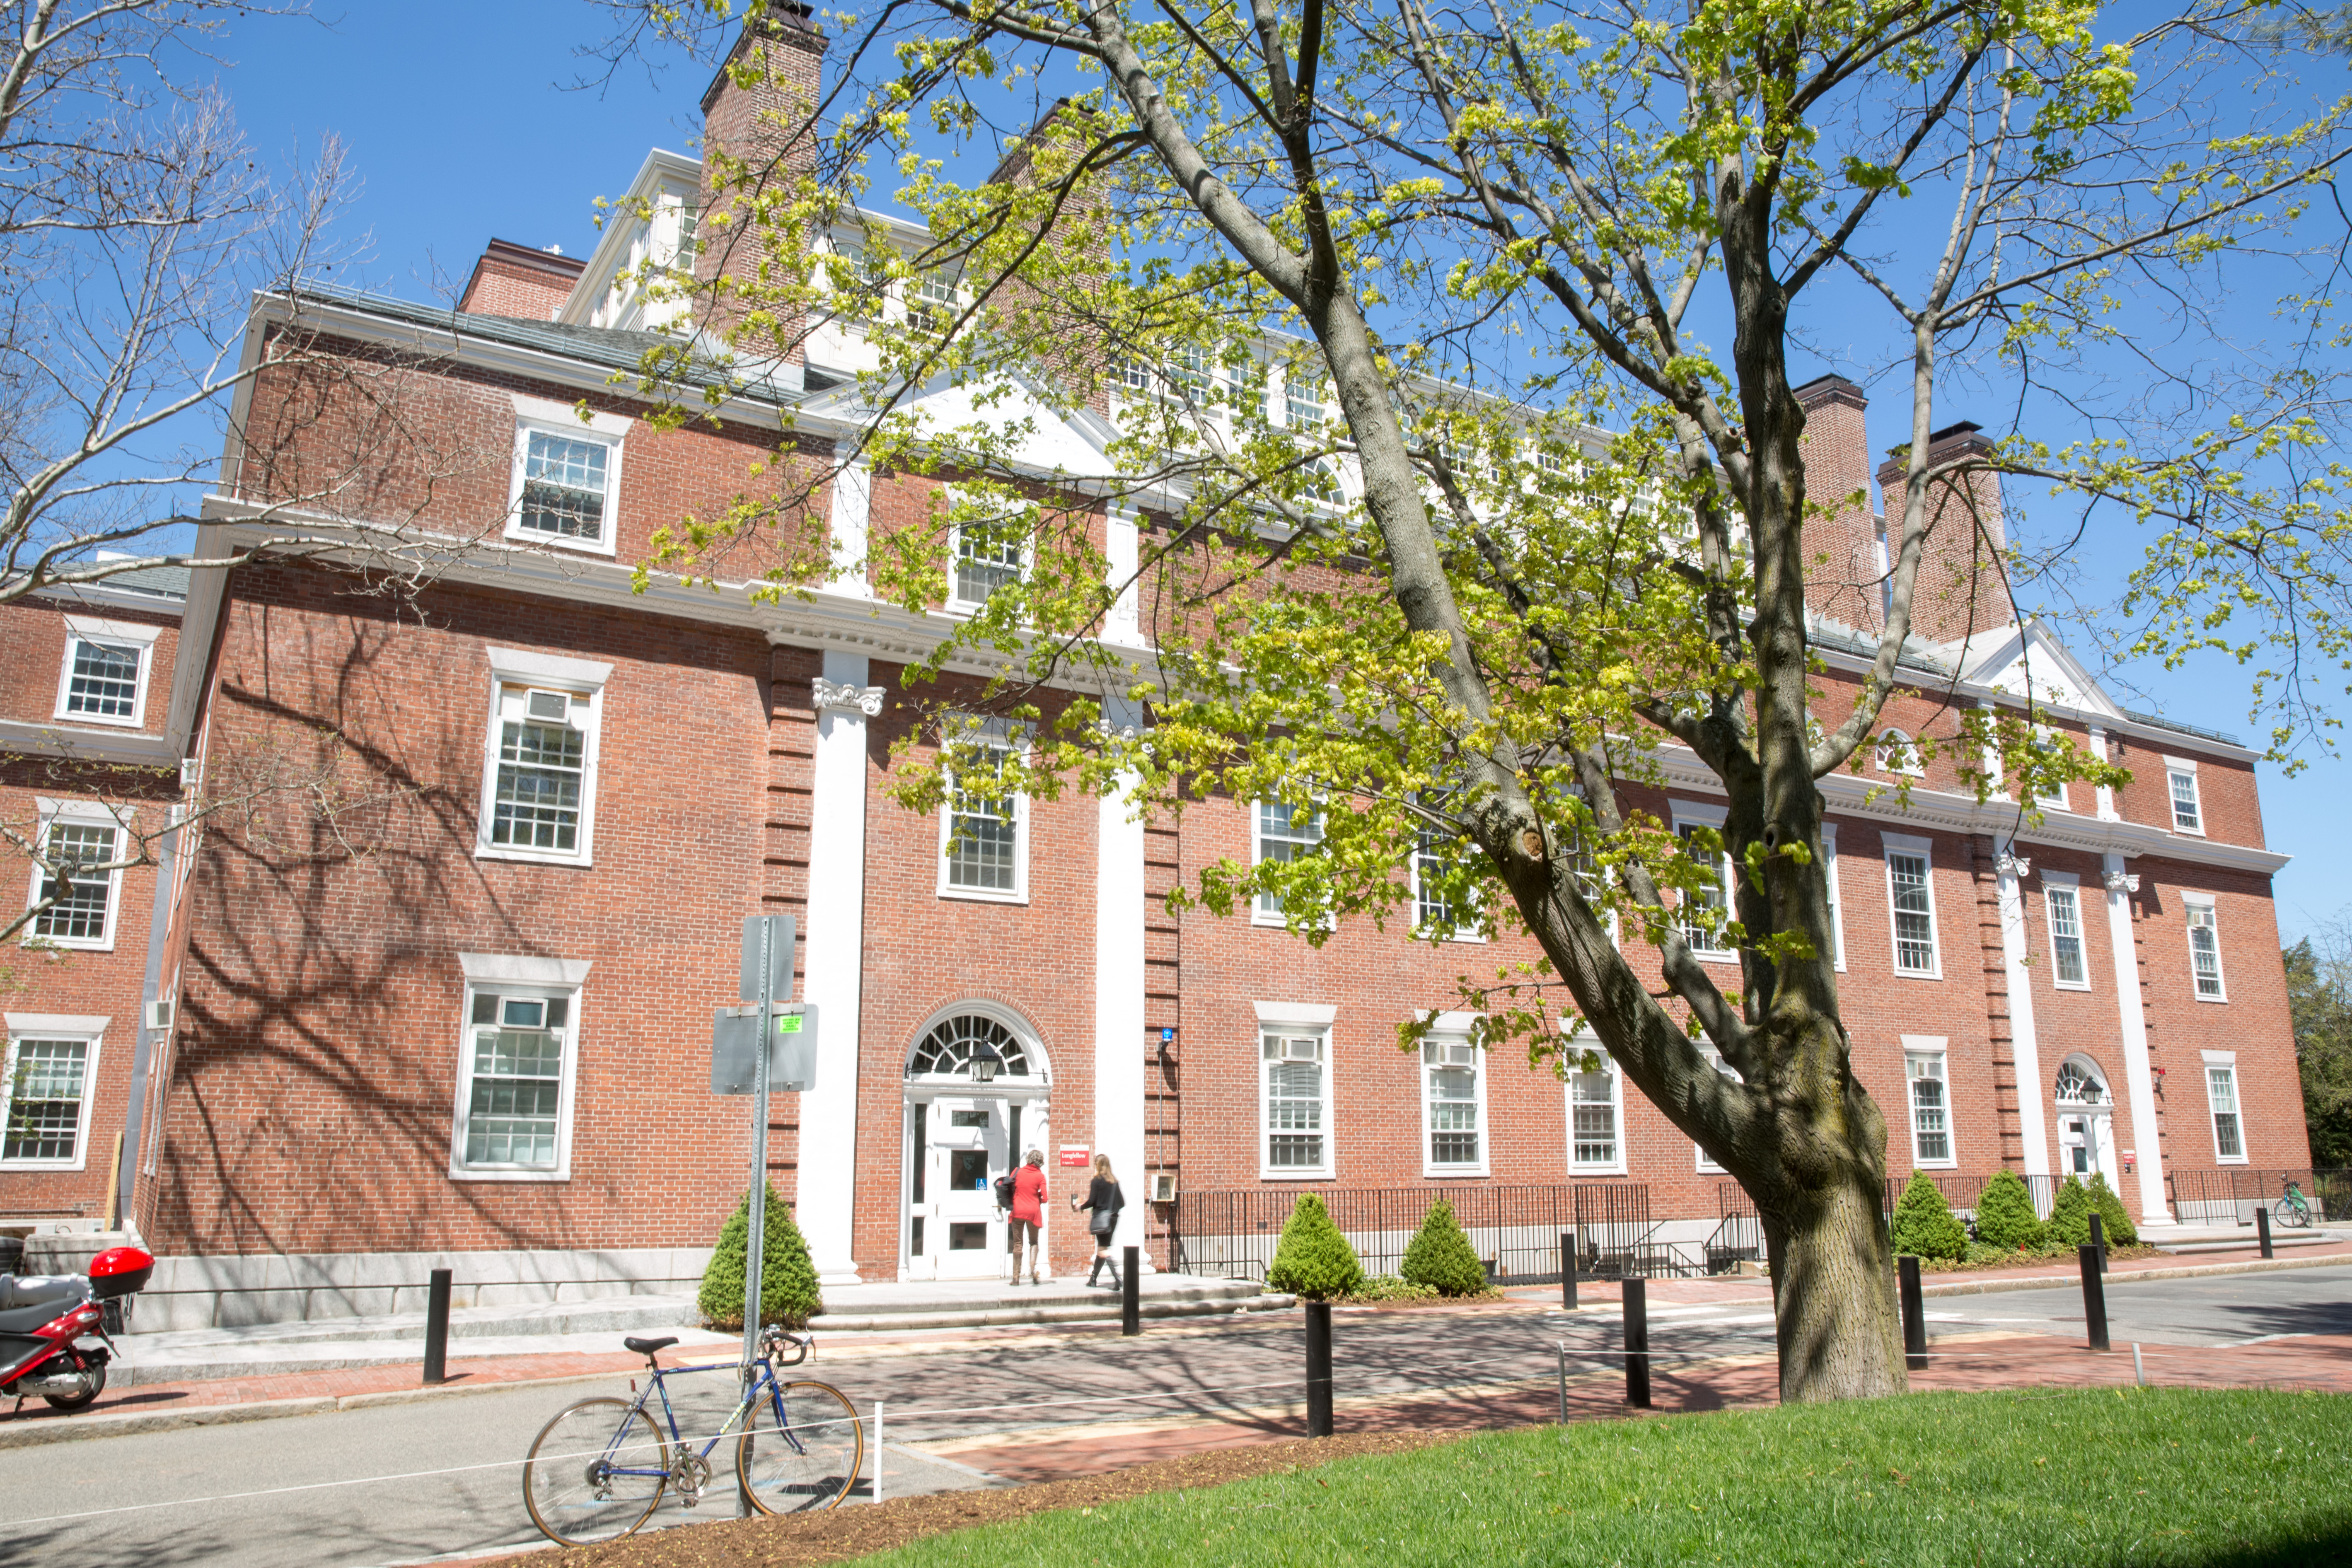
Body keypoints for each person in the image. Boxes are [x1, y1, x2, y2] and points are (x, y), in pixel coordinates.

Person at [1070, 1153, 1125, 1289]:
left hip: (1101, 1219)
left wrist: (1080, 1207)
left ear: (1098, 1165)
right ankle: (1093, 1279)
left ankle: (1118, 1279)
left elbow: (1092, 1201)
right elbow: (1122, 1203)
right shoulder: (1114, 1182)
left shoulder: (1096, 1181)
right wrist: (1111, 1209)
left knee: (1103, 1250)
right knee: (1103, 1248)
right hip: (1113, 1219)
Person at [1008, 1148, 1049, 1284]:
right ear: (1040, 1163)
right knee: (1034, 1242)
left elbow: (1010, 1187)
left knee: (1018, 1244)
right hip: (1033, 1212)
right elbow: (1045, 1198)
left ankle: (1016, 1277)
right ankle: (1032, 1270)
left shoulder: (1017, 1172)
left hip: (1018, 1211)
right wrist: (1036, 1197)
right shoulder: (1040, 1176)